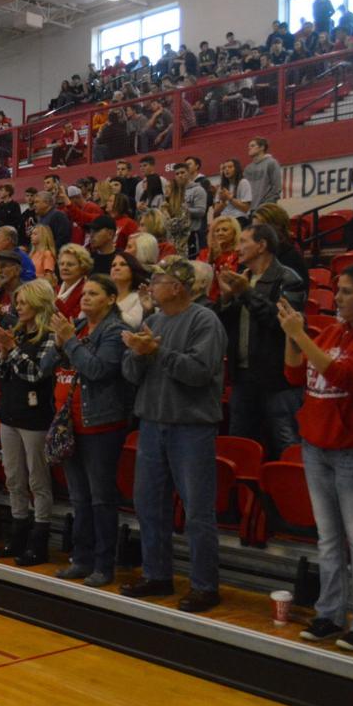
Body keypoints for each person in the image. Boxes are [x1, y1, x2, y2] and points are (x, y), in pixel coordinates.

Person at [278, 264, 353, 652]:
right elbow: (295, 375)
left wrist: (300, 337)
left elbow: (344, 376)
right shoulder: (330, 331)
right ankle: (329, 613)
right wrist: (290, 338)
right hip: (317, 444)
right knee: (327, 538)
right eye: (338, 291)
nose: (338, 298)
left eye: (346, 291)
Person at [121, 258, 227, 613]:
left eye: (159, 279)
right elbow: (130, 375)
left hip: (191, 427)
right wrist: (137, 356)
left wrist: (157, 352)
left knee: (197, 510)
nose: (151, 284)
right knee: (149, 505)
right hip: (151, 423)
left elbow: (199, 372)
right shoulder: (153, 321)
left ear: (179, 286)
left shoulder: (204, 321)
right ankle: (156, 574)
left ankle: (205, 585)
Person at [48, 275, 131, 585]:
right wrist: (60, 345)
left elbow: (96, 370)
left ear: (110, 299)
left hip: (102, 425)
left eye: (93, 294)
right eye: (84, 293)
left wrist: (69, 341)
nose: (85, 298)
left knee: (100, 499)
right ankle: (81, 559)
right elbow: (50, 366)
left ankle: (104, 564)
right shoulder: (80, 327)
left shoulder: (116, 331)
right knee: (79, 498)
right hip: (73, 423)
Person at [217, 225, 306, 460]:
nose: (238, 247)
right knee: (240, 446)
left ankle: (287, 495)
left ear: (262, 245)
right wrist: (226, 298)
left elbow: (282, 324)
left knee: (285, 446)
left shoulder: (288, 278)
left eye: (244, 241)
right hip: (244, 376)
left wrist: (245, 292)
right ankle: (249, 496)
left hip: (276, 378)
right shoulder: (242, 278)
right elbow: (225, 326)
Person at [0, 280, 58, 565]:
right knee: (13, 478)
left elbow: (36, 375)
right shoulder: (14, 334)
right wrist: (5, 352)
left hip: (35, 419)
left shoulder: (50, 338)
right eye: (17, 303)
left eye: (24, 302)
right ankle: (17, 536)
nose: (18, 307)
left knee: (37, 480)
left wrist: (12, 349)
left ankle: (38, 541)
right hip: (9, 413)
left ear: (39, 304)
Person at [197, 216, 242, 302]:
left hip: (228, 300)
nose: (220, 233)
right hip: (205, 299)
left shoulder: (238, 254)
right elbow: (198, 277)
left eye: (224, 230)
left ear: (234, 233)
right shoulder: (205, 253)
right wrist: (210, 259)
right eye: (216, 231)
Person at [110, 251, 150, 328]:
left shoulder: (140, 297)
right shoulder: (107, 297)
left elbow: (133, 324)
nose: (116, 268)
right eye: (113, 265)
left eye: (123, 264)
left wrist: (107, 307)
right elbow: (81, 317)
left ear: (132, 269)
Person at [244, 137, 282, 212]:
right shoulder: (248, 168)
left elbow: (276, 187)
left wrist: (267, 204)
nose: (249, 148)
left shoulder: (271, 163)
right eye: (249, 146)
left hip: (266, 208)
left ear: (262, 147)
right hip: (250, 210)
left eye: (252, 146)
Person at [55, 244, 93, 319]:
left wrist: (54, 297)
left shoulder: (86, 291)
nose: (64, 268)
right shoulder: (56, 288)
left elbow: (74, 320)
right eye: (61, 264)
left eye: (70, 264)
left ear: (83, 267)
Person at [213, 159, 253, 227]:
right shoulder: (221, 187)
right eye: (224, 168)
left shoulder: (243, 182)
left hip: (240, 218)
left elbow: (246, 208)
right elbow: (216, 213)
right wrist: (223, 202)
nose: (227, 170)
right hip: (224, 219)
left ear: (237, 169)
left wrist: (230, 198)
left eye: (230, 167)